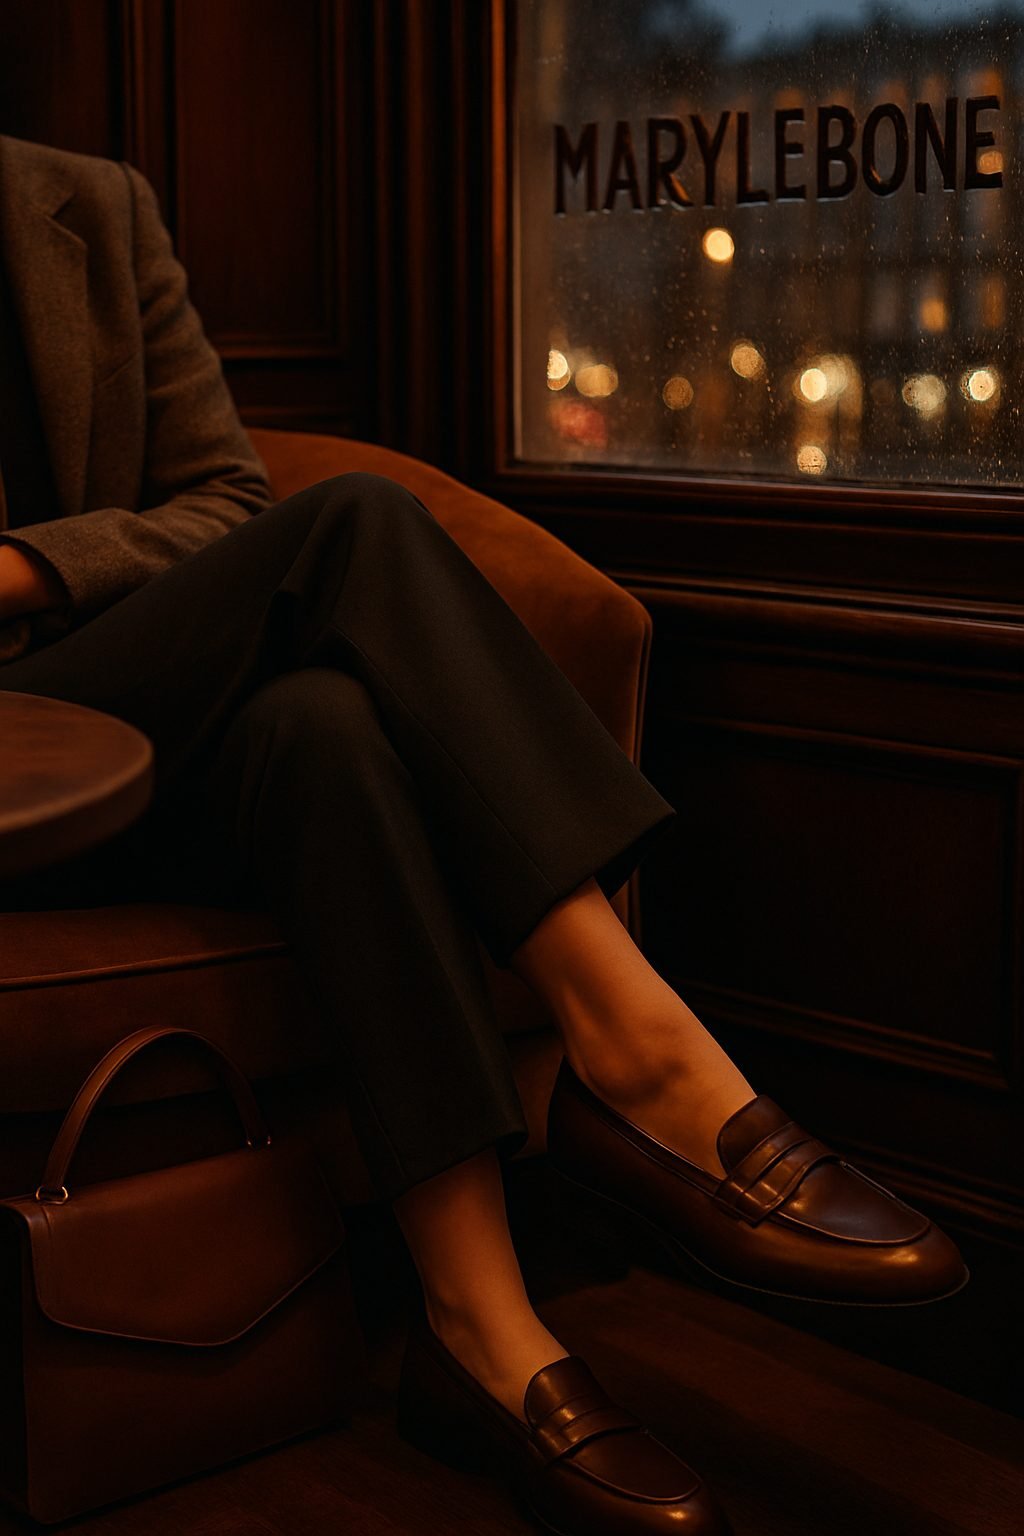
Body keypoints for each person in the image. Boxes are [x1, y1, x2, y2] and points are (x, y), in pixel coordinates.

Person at [0, 133, 967, 1536]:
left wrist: (23, 565)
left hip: (145, 721)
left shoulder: (84, 204)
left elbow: (224, 503)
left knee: (319, 731)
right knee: (362, 531)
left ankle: (479, 1325)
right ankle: (632, 1051)